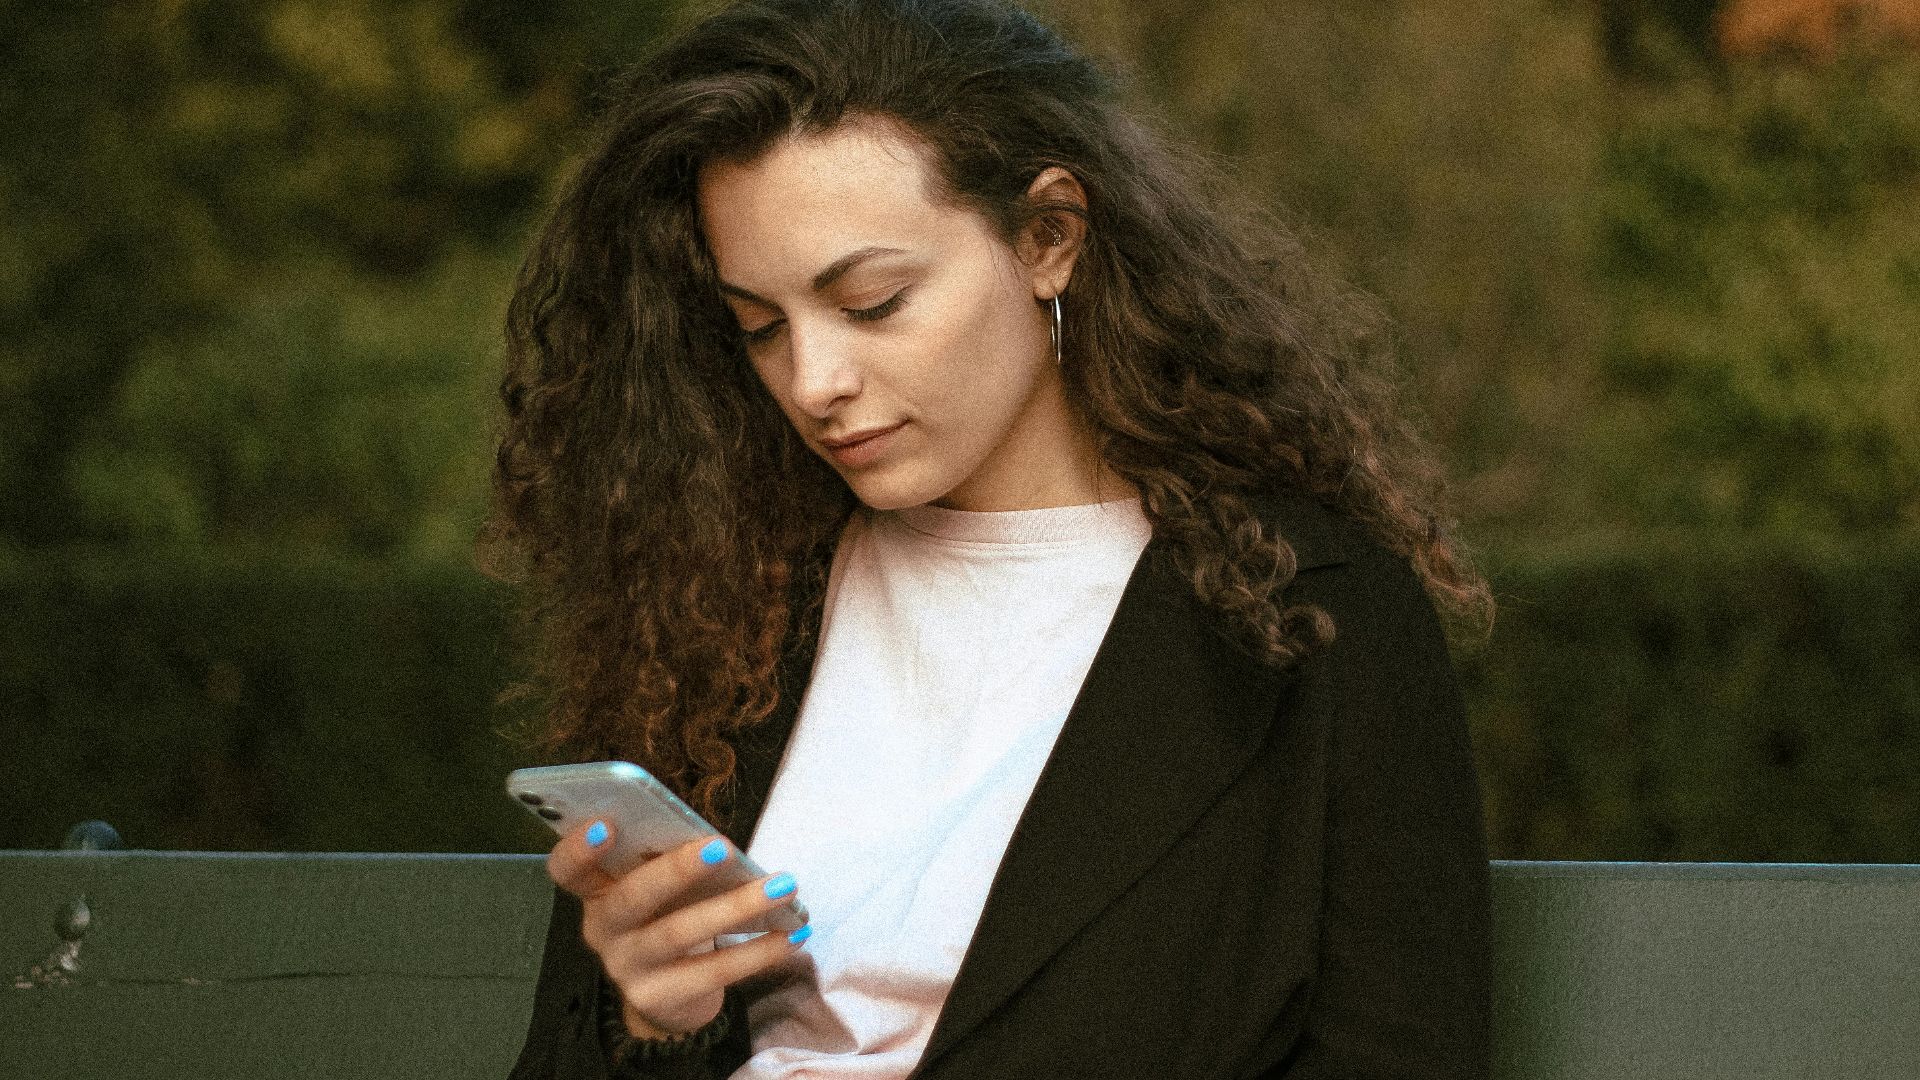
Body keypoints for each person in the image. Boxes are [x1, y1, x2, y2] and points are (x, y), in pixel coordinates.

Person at [484, 0, 1496, 1076]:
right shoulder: (721, 604)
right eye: (762, 328)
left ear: (1049, 237)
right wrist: (655, 1024)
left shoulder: (1312, 610)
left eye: (872, 302)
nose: (815, 381)